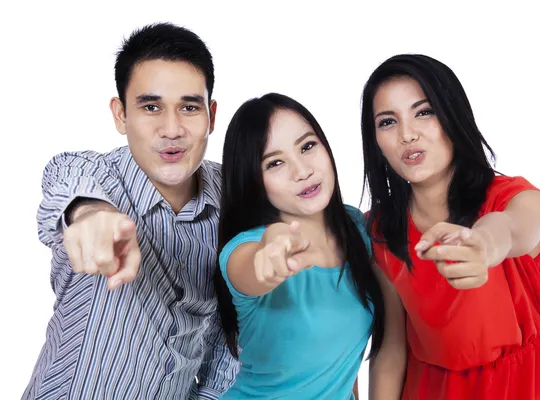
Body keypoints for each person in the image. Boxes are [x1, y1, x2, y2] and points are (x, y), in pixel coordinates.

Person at [23, 23, 238, 400]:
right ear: (120, 114)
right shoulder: (100, 179)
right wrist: (90, 214)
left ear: (212, 115)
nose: (171, 130)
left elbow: (232, 331)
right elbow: (65, 172)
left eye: (189, 107)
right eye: (151, 107)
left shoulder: (234, 196)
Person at [360, 54, 540, 399]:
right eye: (387, 122)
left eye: (423, 112)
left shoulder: (512, 198)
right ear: (376, 141)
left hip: (522, 388)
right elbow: (391, 350)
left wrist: (484, 245)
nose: (407, 134)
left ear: (453, 116)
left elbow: (513, 227)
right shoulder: (382, 232)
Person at [213, 93, 405, 399]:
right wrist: (272, 247)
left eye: (307, 146)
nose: (302, 171)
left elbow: (343, 363)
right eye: (275, 163)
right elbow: (254, 263)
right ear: (254, 180)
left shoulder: (356, 228)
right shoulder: (243, 249)